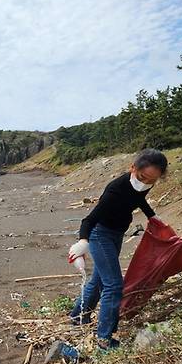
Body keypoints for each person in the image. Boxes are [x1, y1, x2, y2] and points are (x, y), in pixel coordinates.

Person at [67, 149, 168, 350]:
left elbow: (138, 198)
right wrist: (82, 242)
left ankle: (78, 316)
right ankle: (104, 338)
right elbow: (89, 220)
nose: (145, 183)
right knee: (113, 285)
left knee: (98, 278)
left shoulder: (142, 185)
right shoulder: (115, 190)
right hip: (100, 234)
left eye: (151, 181)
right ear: (133, 168)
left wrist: (152, 216)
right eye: (142, 178)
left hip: (117, 234)